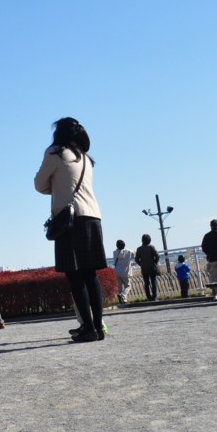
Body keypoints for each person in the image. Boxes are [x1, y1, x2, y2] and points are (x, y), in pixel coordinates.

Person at [35, 117, 107, 343]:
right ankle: (97, 326)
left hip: (70, 220)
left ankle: (87, 327)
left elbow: (39, 184)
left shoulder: (55, 153)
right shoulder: (85, 158)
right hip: (92, 217)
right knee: (91, 274)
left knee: (75, 276)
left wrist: (55, 189)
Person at [135, 235, 160, 301]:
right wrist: (155, 262)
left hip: (144, 268)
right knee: (153, 281)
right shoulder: (151, 247)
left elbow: (136, 259)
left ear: (142, 240)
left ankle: (149, 297)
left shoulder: (139, 249)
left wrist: (141, 264)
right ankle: (154, 297)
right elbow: (157, 256)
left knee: (146, 283)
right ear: (149, 240)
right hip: (152, 267)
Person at [112, 239, 135, 304]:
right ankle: (123, 295)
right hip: (126, 272)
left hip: (117, 272)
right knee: (128, 286)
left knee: (120, 288)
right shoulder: (129, 251)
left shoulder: (115, 252)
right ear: (124, 245)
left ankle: (123, 301)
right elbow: (135, 254)